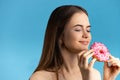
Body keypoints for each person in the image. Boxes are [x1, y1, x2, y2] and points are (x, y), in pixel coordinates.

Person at [30, 5, 120, 80]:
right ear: (60, 36)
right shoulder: (40, 78)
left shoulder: (94, 74)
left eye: (88, 30)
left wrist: (109, 79)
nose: (86, 35)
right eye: (78, 29)